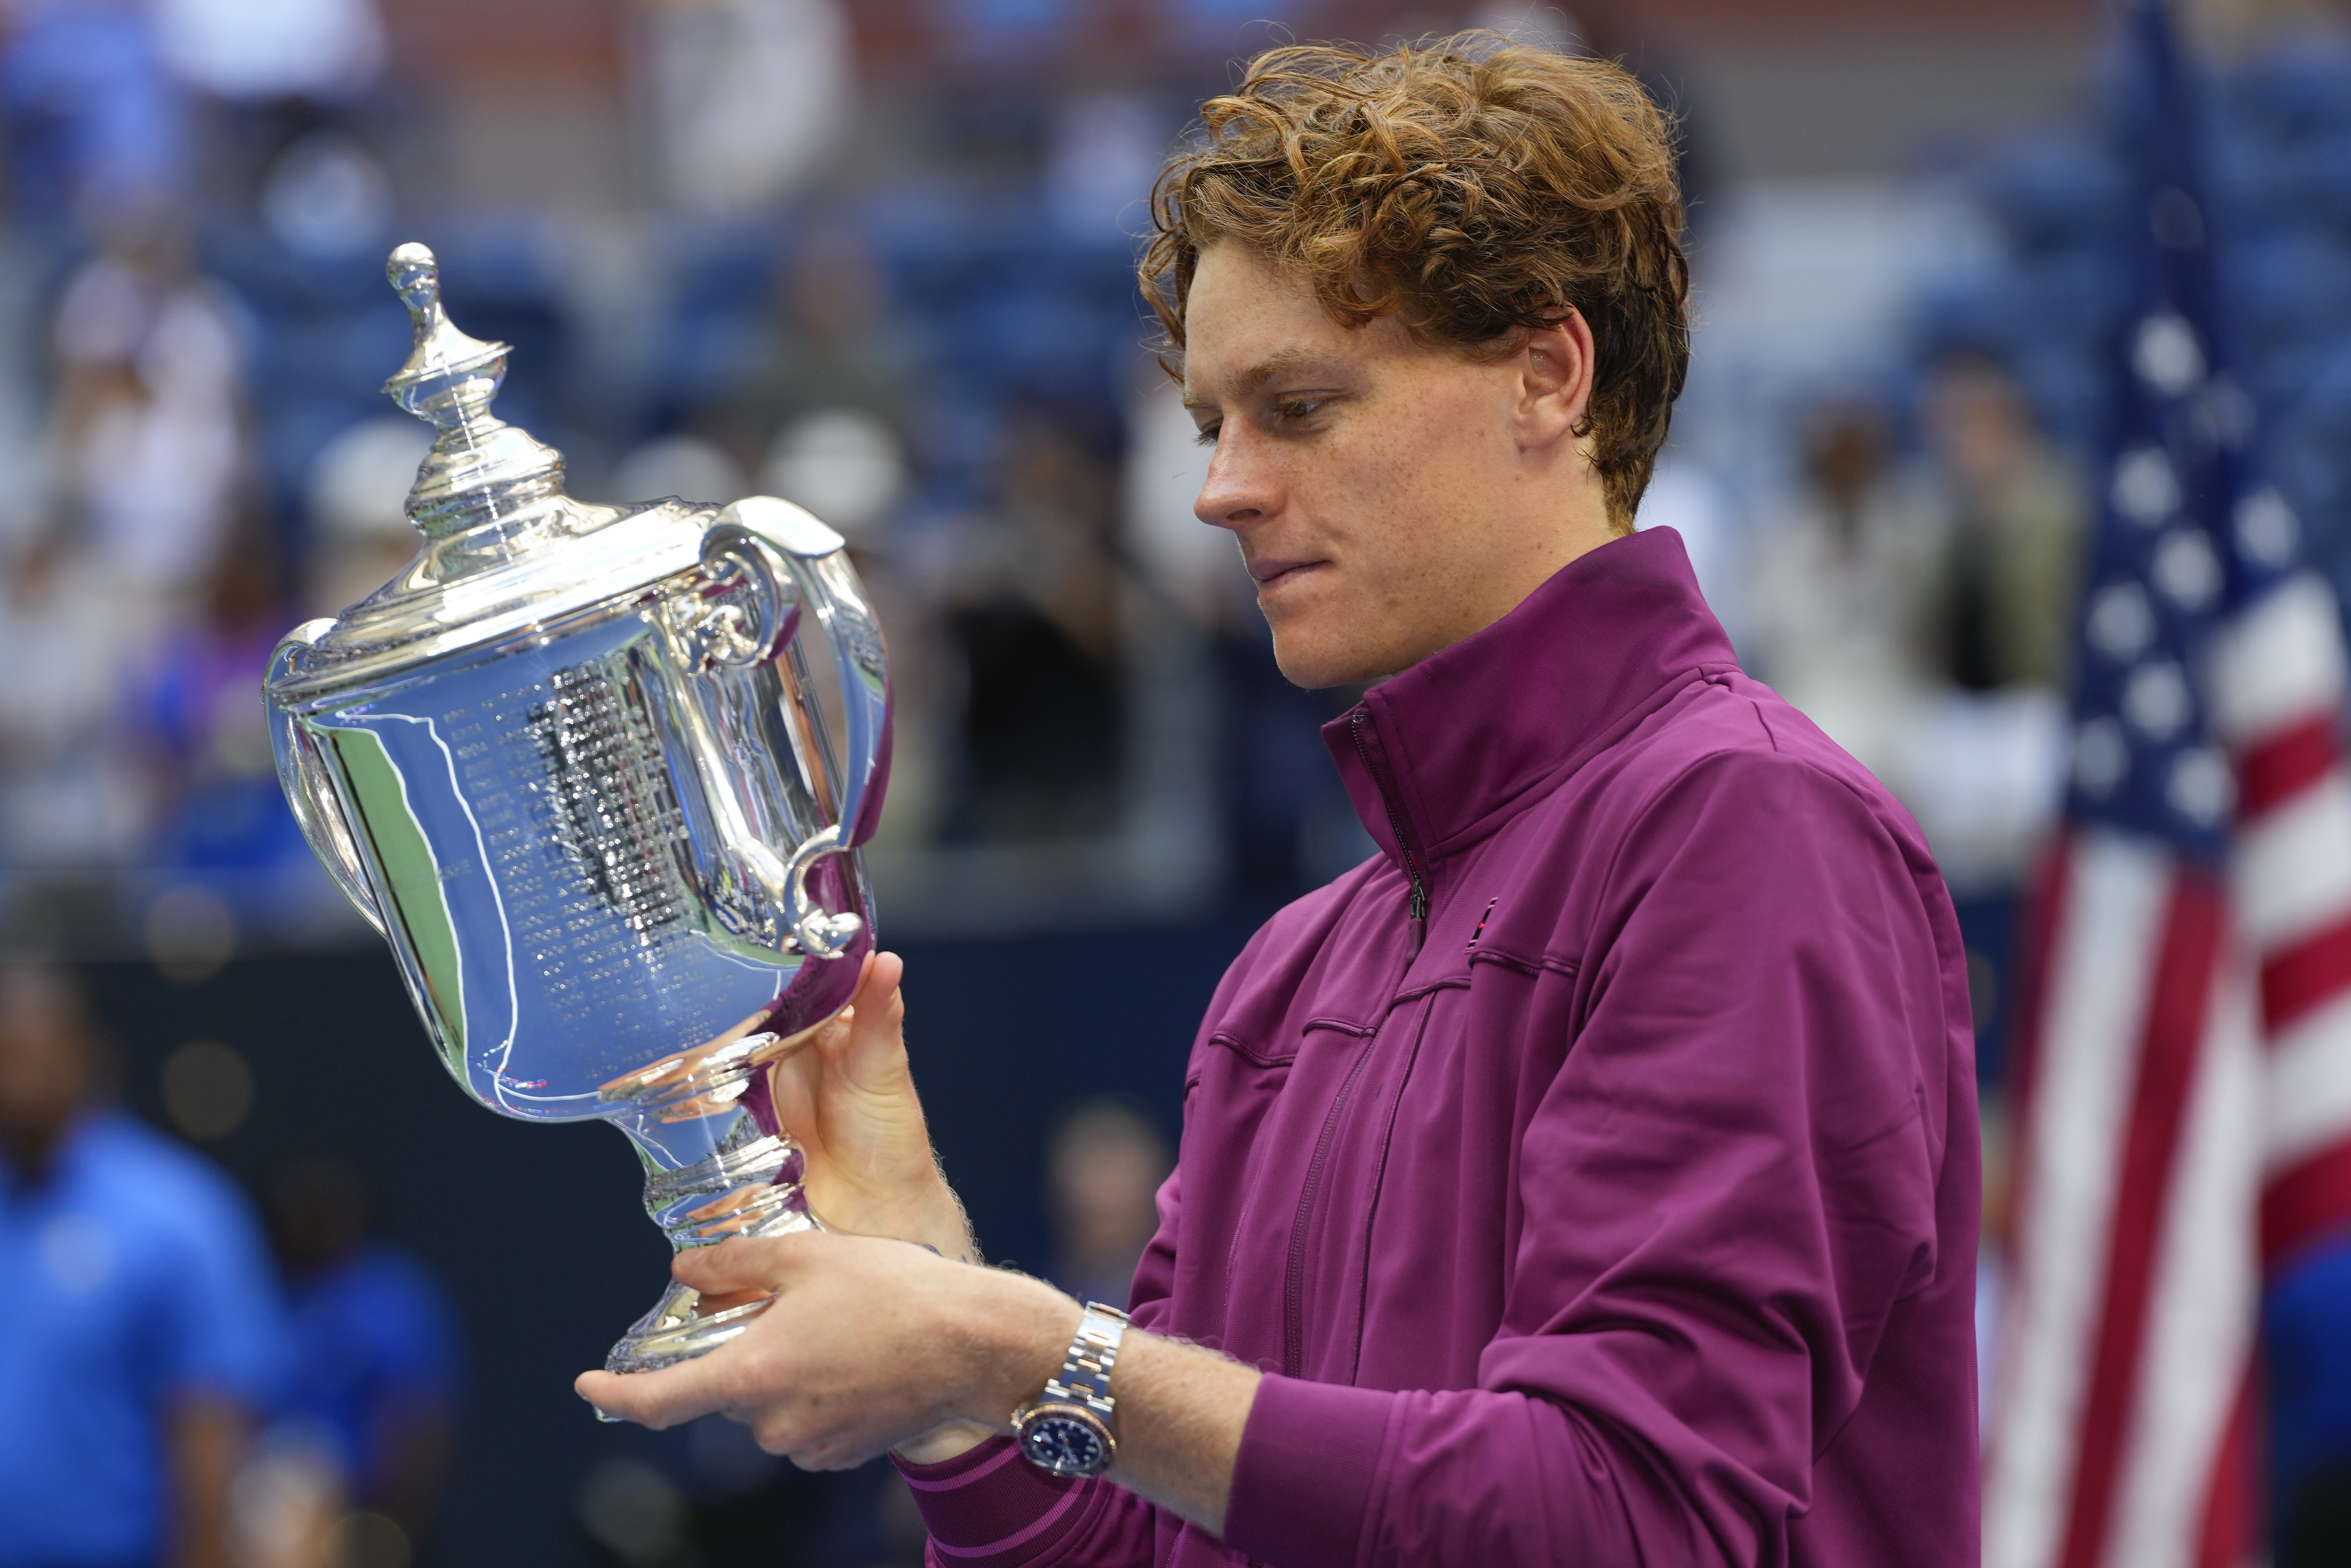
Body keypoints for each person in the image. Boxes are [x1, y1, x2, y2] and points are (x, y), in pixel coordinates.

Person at [580, 33, 1980, 1568]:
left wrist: (1024, 1352)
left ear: (1546, 374)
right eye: (1207, 424)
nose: (1219, 489)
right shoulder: (1292, 971)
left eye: (1296, 408)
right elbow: (1142, 1544)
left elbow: (1616, 1515)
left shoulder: (1745, 826)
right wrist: (940, 1337)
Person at [0, 962, 285, 1568]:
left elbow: (211, 1430)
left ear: (87, 1053)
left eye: (31, 1049)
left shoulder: (177, 1215)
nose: (15, 1075)